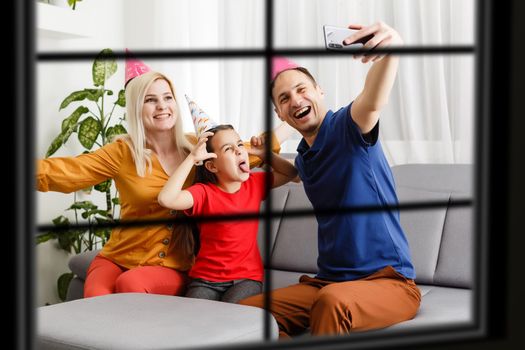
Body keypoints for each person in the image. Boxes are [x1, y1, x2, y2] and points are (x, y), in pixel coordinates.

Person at [36, 54, 283, 298]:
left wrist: (291, 123)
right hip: (117, 257)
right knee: (95, 300)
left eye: (168, 97)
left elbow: (244, 153)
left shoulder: (197, 147)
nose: (162, 106)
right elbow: (67, 171)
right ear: (136, 108)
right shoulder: (121, 152)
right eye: (150, 100)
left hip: (172, 264)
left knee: (131, 285)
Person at [239, 22, 421, 337]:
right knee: (247, 315)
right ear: (280, 114)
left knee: (332, 301)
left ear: (319, 91)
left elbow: (373, 101)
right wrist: (267, 156)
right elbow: (296, 174)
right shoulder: (305, 155)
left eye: (301, 89)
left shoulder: (348, 127)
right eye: (284, 99)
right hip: (331, 281)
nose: (294, 100)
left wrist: (390, 50)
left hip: (389, 283)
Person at [157, 118, 298, 304]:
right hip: (204, 281)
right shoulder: (203, 193)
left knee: (231, 316)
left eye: (239, 144)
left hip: (246, 279)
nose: (239, 150)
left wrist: (264, 154)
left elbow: (292, 174)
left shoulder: (254, 184)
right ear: (212, 165)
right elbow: (166, 198)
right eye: (228, 149)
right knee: (192, 320)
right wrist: (192, 158)